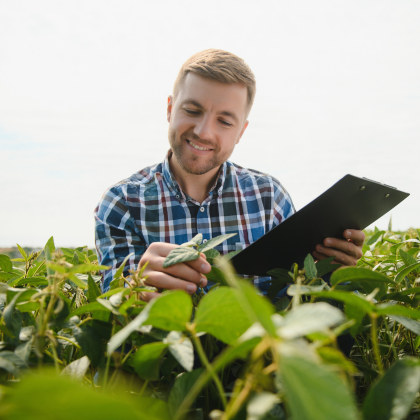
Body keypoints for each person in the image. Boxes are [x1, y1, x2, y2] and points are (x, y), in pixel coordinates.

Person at [94, 49, 365, 300]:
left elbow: (292, 297)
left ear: (241, 132)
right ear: (169, 109)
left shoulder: (269, 198)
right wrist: (134, 287)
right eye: (191, 110)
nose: (203, 131)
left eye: (224, 121)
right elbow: (114, 308)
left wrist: (326, 272)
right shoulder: (123, 203)